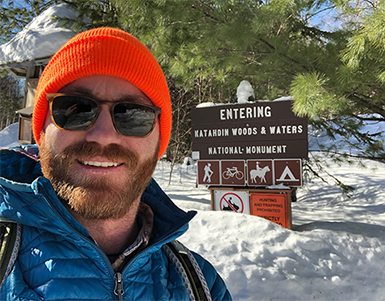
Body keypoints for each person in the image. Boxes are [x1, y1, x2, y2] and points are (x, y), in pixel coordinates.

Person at [0, 27, 231, 300]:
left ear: (159, 142)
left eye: (133, 115)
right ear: (41, 131)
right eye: (75, 109)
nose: (103, 135)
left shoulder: (201, 286)